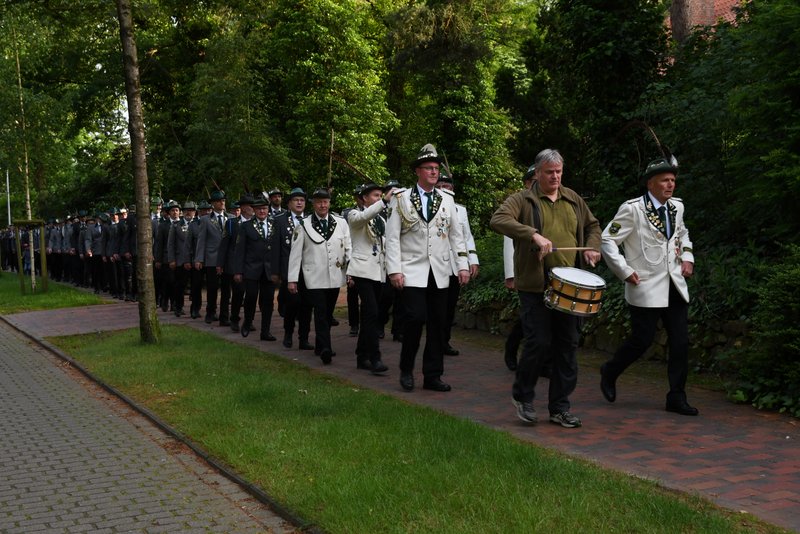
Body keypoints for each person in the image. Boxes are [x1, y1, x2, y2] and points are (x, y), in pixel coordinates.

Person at [490, 148, 601, 428]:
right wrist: (533, 235)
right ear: (537, 173)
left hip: (570, 285)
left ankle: (560, 407)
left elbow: (593, 226)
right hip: (536, 285)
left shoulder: (572, 198)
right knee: (538, 343)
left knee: (567, 346)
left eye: (559, 172)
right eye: (549, 172)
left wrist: (592, 248)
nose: (555, 177)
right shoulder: (523, 199)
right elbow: (498, 220)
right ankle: (523, 398)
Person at [600, 157, 698, 416]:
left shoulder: (677, 206)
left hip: (674, 284)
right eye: (665, 180)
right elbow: (608, 240)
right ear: (650, 183)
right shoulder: (632, 209)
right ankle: (610, 370)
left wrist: (687, 257)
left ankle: (676, 397)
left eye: (673, 180)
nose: (671, 185)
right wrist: (624, 271)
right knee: (641, 341)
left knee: (680, 343)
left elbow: (683, 233)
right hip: (644, 284)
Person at [385, 143, 470, 393]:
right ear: (418, 171)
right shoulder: (401, 199)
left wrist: (462, 265)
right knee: (414, 318)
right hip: (411, 270)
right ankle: (406, 369)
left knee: (438, 323)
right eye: (429, 168)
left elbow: (456, 236)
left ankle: (433, 375)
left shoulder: (447, 199)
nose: (434, 172)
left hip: (440, 270)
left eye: (436, 168)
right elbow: (392, 238)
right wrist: (394, 270)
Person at [287, 188, 351, 364]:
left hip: (334, 276)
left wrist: (351, 271)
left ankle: (319, 344)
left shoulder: (341, 223)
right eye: (319, 202)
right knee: (321, 312)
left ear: (329, 203)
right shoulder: (303, 225)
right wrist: (292, 280)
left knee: (328, 313)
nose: (323, 205)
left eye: (325, 202)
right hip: (313, 277)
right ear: (313, 204)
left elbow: (348, 248)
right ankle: (325, 349)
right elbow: (295, 255)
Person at [346, 182, 393, 375]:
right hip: (362, 271)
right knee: (372, 312)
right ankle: (375, 358)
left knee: (369, 315)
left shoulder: (380, 219)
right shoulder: (354, 215)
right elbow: (364, 217)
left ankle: (361, 356)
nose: (378, 198)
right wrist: (384, 201)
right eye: (375, 195)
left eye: (380, 195)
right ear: (364, 198)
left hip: (378, 272)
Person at [436, 167, 479, 356]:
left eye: (446, 186)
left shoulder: (460, 210)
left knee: (450, 306)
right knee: (437, 307)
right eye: (440, 186)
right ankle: (435, 341)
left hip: (455, 265)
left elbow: (466, 237)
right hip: (437, 265)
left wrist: (472, 260)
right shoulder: (431, 208)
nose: (443, 189)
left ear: (452, 189)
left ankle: (444, 342)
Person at [273, 187, 314, 350]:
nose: (299, 203)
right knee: (292, 304)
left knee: (307, 305)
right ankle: (288, 333)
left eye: (302, 200)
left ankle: (304, 338)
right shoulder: (280, 220)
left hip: (309, 270)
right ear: (289, 203)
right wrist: (276, 271)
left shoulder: (311, 220)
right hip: (289, 270)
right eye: (296, 200)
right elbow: (276, 247)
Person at [233, 197, 279, 340]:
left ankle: (265, 331)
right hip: (251, 268)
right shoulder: (246, 226)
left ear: (268, 209)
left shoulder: (275, 224)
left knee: (268, 301)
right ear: (254, 210)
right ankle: (248, 321)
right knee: (251, 297)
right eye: (259, 209)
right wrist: (238, 271)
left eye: (264, 208)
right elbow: (239, 250)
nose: (262, 211)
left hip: (270, 269)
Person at [195, 190, 229, 325]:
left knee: (226, 289)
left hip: (227, 259)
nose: (222, 203)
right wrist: (199, 259)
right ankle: (210, 312)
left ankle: (224, 316)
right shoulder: (205, 219)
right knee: (212, 287)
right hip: (212, 258)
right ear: (213, 204)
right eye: (219, 201)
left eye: (223, 200)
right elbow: (201, 240)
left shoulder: (231, 218)